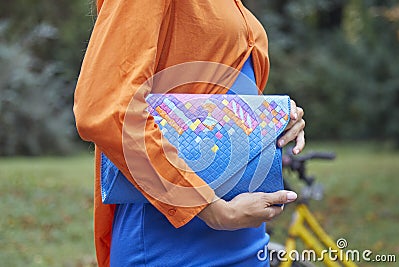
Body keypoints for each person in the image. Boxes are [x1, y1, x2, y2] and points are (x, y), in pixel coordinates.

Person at [74, 1, 305, 266]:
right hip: (171, 242)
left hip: (246, 239)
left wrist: (276, 118)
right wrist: (212, 209)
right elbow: (106, 108)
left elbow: (221, 100)